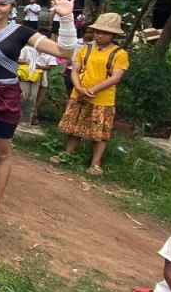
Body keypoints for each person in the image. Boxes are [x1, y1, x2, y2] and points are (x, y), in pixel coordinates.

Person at [0, 0, 78, 228]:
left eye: (2, 5)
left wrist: (66, 20)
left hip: (4, 94)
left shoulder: (22, 32)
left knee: (0, 151)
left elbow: (63, 52)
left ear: (12, 8)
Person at [51, 13, 129, 176]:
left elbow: (116, 77)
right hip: (79, 93)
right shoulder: (85, 49)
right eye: (97, 31)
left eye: (105, 33)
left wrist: (93, 90)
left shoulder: (119, 54)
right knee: (74, 128)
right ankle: (67, 154)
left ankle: (96, 163)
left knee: (99, 133)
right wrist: (79, 88)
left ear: (113, 35)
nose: (100, 35)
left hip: (103, 98)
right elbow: (75, 70)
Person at [18, 29, 56, 125]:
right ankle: (20, 116)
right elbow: (18, 59)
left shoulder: (50, 52)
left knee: (38, 98)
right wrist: (27, 62)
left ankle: (32, 117)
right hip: (26, 76)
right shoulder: (27, 49)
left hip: (42, 77)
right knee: (23, 95)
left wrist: (40, 67)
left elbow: (50, 66)